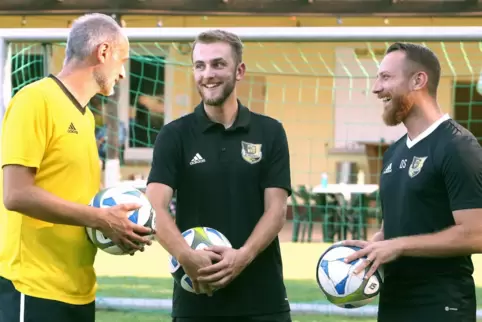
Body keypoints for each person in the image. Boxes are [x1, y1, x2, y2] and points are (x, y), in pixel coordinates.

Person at [0, 13, 154, 322]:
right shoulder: (34, 100)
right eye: (121, 60)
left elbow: (77, 200)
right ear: (103, 52)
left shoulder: (85, 119)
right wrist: (101, 218)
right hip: (33, 286)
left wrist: (119, 227)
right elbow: (15, 194)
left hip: (79, 288)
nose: (123, 74)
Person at [146, 29, 292, 322]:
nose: (207, 74)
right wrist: (186, 256)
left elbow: (276, 210)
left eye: (217, 64)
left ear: (239, 71)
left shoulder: (270, 131)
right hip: (198, 297)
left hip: (262, 299)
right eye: (199, 66)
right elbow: (154, 207)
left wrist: (243, 256)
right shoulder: (174, 135)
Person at [343, 42, 482, 322]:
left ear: (418, 80)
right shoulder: (395, 152)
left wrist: (400, 245)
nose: (376, 88)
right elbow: (394, 228)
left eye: (386, 77)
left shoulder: (458, 146)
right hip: (394, 301)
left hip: (441, 305)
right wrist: (371, 248)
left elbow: (477, 233)